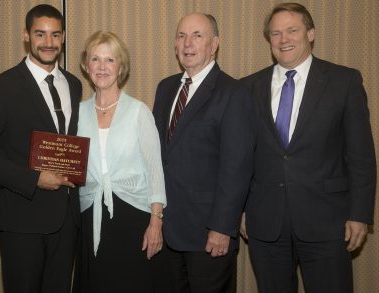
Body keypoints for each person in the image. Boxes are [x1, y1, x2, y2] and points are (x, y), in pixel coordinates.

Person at [240, 3, 376, 293]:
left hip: (328, 222)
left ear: (310, 33)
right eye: (275, 33)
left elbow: (361, 155)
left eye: (292, 30)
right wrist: (239, 210)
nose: (283, 39)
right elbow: (241, 159)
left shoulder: (344, 81)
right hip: (266, 223)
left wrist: (360, 213)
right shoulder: (248, 88)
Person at [0, 4, 82, 293]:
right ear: (26, 35)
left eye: (55, 35)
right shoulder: (0, 86)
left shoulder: (75, 84)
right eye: (40, 34)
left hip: (67, 222)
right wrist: (34, 179)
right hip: (23, 220)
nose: (48, 42)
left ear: (63, 37)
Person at [152, 13, 256, 293]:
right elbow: (159, 157)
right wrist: (155, 217)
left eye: (197, 35)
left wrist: (223, 227)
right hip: (167, 230)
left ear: (214, 44)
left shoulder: (234, 93)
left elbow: (237, 167)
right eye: (182, 36)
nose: (188, 43)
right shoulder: (165, 88)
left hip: (209, 234)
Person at [74, 31, 171, 293]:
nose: (102, 67)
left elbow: (155, 170)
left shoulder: (139, 112)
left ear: (121, 66)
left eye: (110, 59)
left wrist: (156, 221)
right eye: (95, 59)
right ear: (86, 66)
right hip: (90, 215)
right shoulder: (78, 114)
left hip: (134, 219)